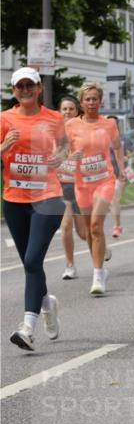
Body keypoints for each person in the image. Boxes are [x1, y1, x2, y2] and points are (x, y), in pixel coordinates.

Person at [2, 68, 67, 351]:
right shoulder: (4, 118)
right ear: (14, 90)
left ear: (40, 88)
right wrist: (4, 145)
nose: (25, 90)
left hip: (48, 197)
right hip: (14, 200)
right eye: (20, 86)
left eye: (30, 85)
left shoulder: (54, 119)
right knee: (32, 263)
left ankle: (27, 327)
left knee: (30, 260)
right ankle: (46, 303)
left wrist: (59, 157)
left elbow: (65, 148)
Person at [66, 83, 125, 295]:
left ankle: (98, 275)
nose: (91, 102)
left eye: (95, 99)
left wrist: (121, 167)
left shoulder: (108, 124)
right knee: (88, 233)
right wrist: (70, 157)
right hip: (82, 183)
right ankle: (101, 265)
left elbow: (117, 146)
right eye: (87, 99)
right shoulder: (71, 125)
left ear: (100, 101)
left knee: (95, 226)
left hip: (104, 180)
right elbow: (61, 151)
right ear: (81, 102)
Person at [57, 96, 88, 279]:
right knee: (65, 225)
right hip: (63, 186)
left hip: (81, 185)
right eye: (64, 109)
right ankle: (70, 265)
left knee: (83, 233)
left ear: (77, 112)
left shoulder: (82, 132)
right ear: (60, 112)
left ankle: (100, 244)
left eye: (71, 109)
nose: (67, 112)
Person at [106, 114, 125, 238]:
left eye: (114, 123)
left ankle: (117, 226)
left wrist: (122, 171)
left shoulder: (121, 139)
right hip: (102, 176)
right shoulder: (98, 138)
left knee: (114, 200)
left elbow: (126, 154)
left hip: (118, 175)